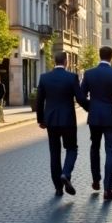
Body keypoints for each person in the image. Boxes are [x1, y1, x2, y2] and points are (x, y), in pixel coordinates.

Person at [37, 51, 90, 197]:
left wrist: (40, 120)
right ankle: (66, 174)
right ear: (66, 62)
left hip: (51, 121)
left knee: (54, 153)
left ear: (55, 61)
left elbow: (39, 101)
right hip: (68, 121)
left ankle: (58, 188)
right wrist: (92, 108)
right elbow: (80, 98)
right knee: (71, 149)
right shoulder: (71, 77)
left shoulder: (44, 78)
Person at [81, 45, 112, 200]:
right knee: (110, 152)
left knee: (94, 147)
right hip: (111, 117)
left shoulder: (89, 74)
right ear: (111, 57)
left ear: (99, 56)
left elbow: (80, 97)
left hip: (94, 117)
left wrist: (91, 107)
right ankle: (108, 190)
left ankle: (96, 180)